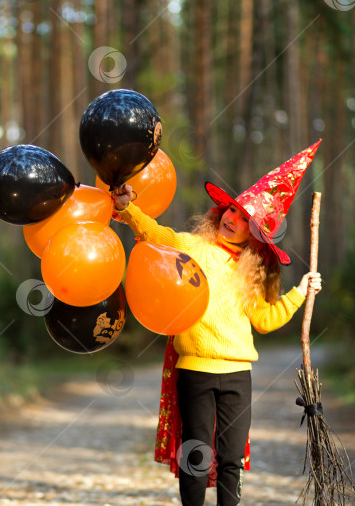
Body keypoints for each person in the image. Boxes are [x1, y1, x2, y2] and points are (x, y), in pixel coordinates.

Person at [111, 140, 323, 506]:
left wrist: (300, 292)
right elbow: (157, 235)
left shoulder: (252, 274)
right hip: (194, 371)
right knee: (195, 455)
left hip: (238, 376)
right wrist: (129, 210)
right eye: (231, 210)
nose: (232, 219)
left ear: (255, 235)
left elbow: (266, 321)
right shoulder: (194, 247)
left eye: (244, 219)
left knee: (232, 460)